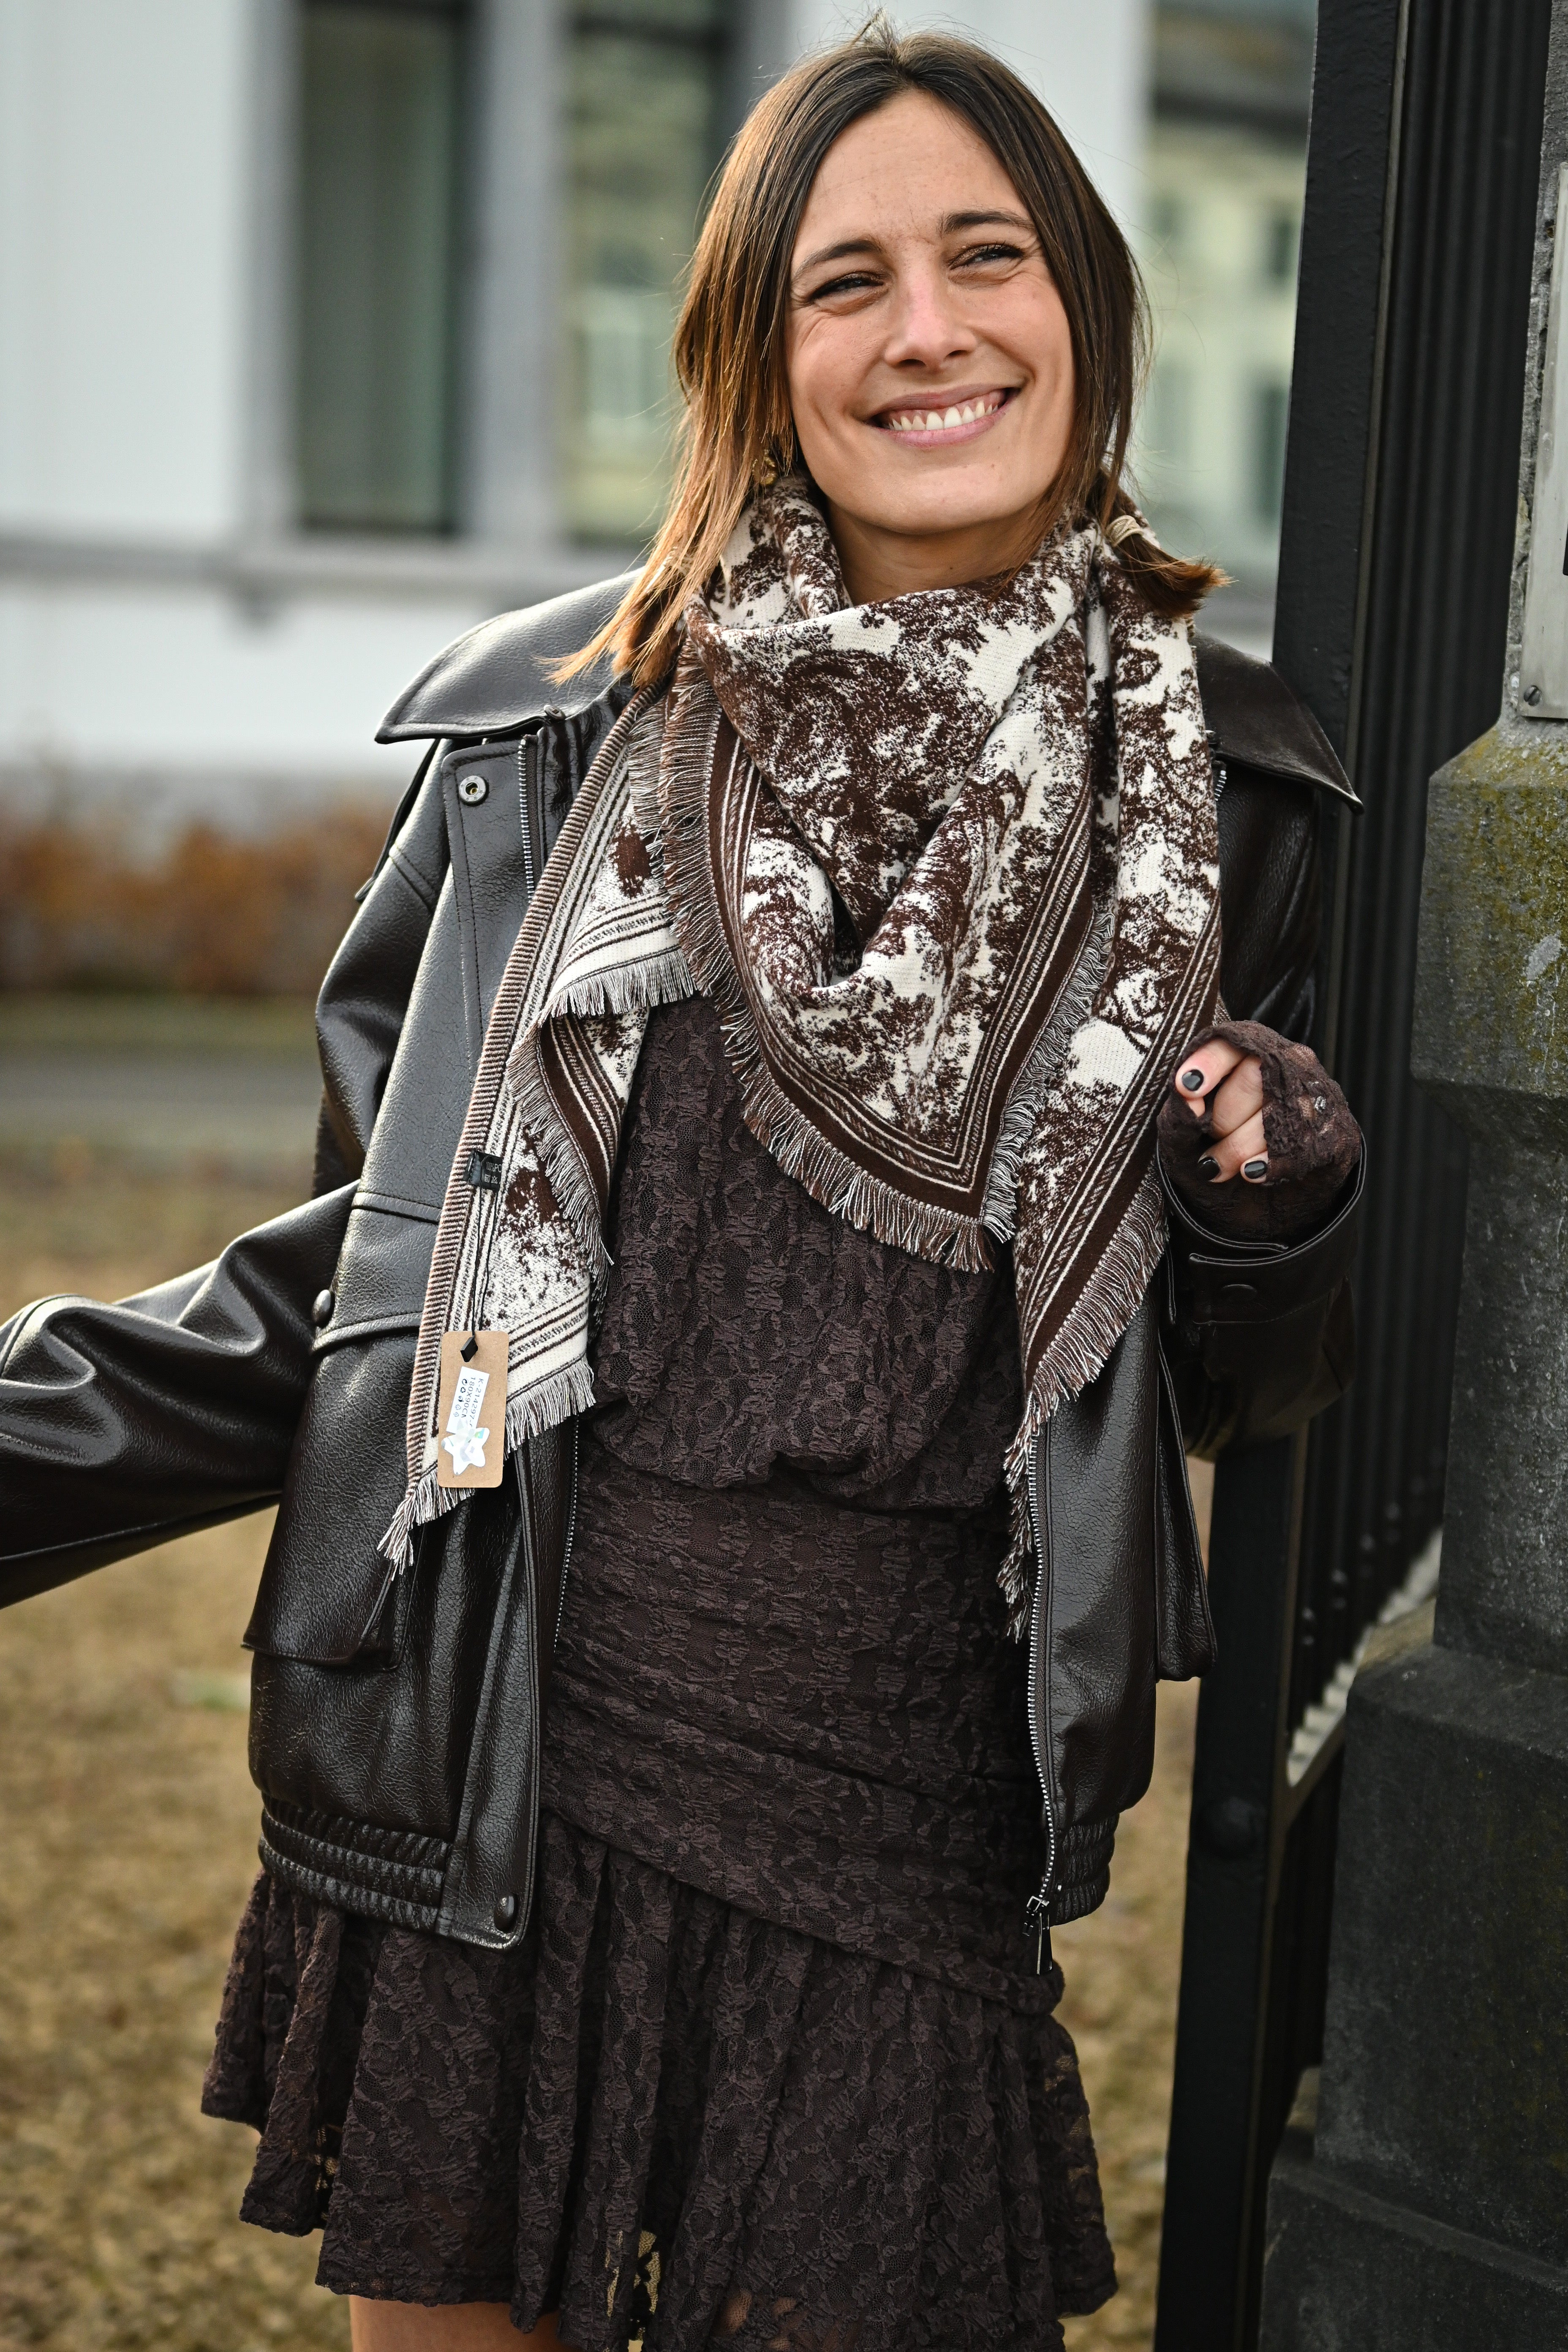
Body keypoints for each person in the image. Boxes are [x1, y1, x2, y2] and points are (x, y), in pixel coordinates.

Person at [0, 24, 1363, 2352]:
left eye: (987, 257)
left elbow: (1239, 1403)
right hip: (509, 1746)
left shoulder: (1236, 798)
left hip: (901, 1807)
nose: (926, 328)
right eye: (846, 282)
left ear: (1087, 307)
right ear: (758, 352)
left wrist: (1268, 1218)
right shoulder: (547, 738)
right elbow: (379, 1297)